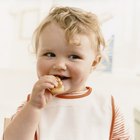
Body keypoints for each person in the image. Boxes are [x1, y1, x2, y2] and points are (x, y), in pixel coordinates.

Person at [3, 6, 131, 140]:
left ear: (94, 63)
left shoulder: (106, 106)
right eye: (49, 54)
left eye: (74, 56)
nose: (59, 65)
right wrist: (34, 107)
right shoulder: (33, 104)